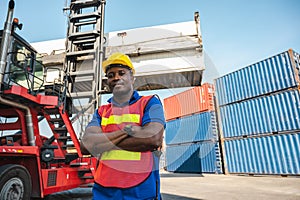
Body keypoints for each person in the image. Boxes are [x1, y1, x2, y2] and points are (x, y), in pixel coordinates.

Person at [81, 52, 165, 200]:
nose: (116, 78)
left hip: (141, 189)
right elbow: (86, 146)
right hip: (104, 190)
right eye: (111, 75)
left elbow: (152, 139)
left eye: (121, 73)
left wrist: (102, 142)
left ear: (132, 77)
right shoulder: (101, 111)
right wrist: (127, 131)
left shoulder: (150, 103)